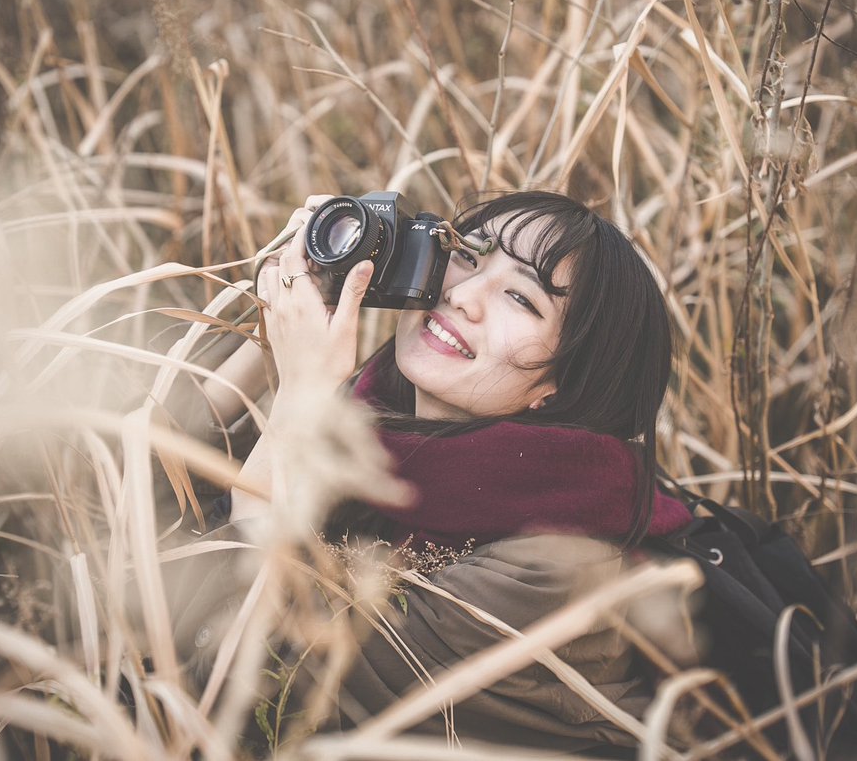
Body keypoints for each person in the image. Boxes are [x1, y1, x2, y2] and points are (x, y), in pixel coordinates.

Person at [177, 190, 699, 754]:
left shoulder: (550, 569)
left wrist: (301, 397)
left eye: (521, 299)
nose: (463, 294)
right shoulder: (376, 422)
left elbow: (248, 680)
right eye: (469, 254)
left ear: (562, 387)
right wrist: (292, 308)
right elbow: (137, 496)